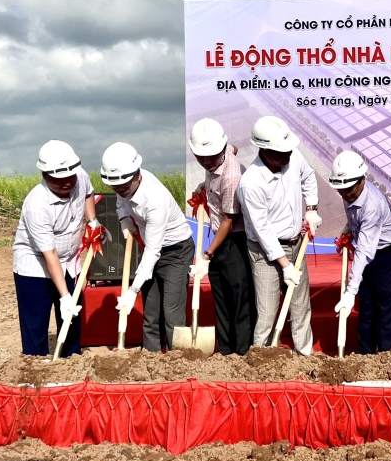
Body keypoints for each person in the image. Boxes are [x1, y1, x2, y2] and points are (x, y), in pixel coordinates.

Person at [237, 116, 321, 355]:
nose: (287, 155)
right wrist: (285, 265)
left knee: (300, 306)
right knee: (267, 311)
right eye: (281, 152)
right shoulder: (251, 183)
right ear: (264, 150)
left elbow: (308, 177)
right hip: (265, 252)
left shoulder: (292, 155)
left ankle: (304, 353)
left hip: (296, 244)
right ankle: (261, 358)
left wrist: (311, 209)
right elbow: (262, 230)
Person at [103, 142, 195, 352]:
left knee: (172, 312)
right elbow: (120, 202)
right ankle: (151, 358)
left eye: (124, 186)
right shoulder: (123, 182)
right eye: (115, 187)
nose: (120, 191)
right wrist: (125, 220)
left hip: (176, 251)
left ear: (137, 176)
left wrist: (133, 290)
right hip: (151, 248)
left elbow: (154, 251)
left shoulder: (155, 200)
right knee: (151, 312)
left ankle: (177, 360)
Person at [12, 140, 100, 357]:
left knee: (72, 318)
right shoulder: (37, 205)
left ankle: (71, 359)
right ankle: (35, 363)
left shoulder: (80, 176)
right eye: (59, 179)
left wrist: (92, 221)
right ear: (44, 175)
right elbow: (49, 254)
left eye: (70, 177)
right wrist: (64, 297)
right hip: (37, 265)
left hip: (69, 259)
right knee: (36, 320)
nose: (67, 183)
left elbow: (88, 193)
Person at [188, 118, 255, 356]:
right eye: (201, 157)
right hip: (220, 238)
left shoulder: (231, 176)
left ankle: (244, 351)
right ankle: (225, 350)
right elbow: (232, 149)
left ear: (221, 150)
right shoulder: (223, 150)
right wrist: (204, 187)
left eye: (211, 157)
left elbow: (229, 220)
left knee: (239, 297)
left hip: (235, 239)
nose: (206, 161)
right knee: (221, 294)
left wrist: (207, 255)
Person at [331, 151, 391, 353]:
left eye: (349, 189)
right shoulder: (349, 191)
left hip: (388, 254)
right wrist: (348, 229)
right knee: (367, 308)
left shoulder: (373, 204)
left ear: (362, 179)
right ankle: (364, 357)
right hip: (370, 252)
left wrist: (349, 292)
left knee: (386, 311)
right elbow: (355, 218)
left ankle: (389, 358)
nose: (345, 194)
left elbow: (364, 251)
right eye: (340, 189)